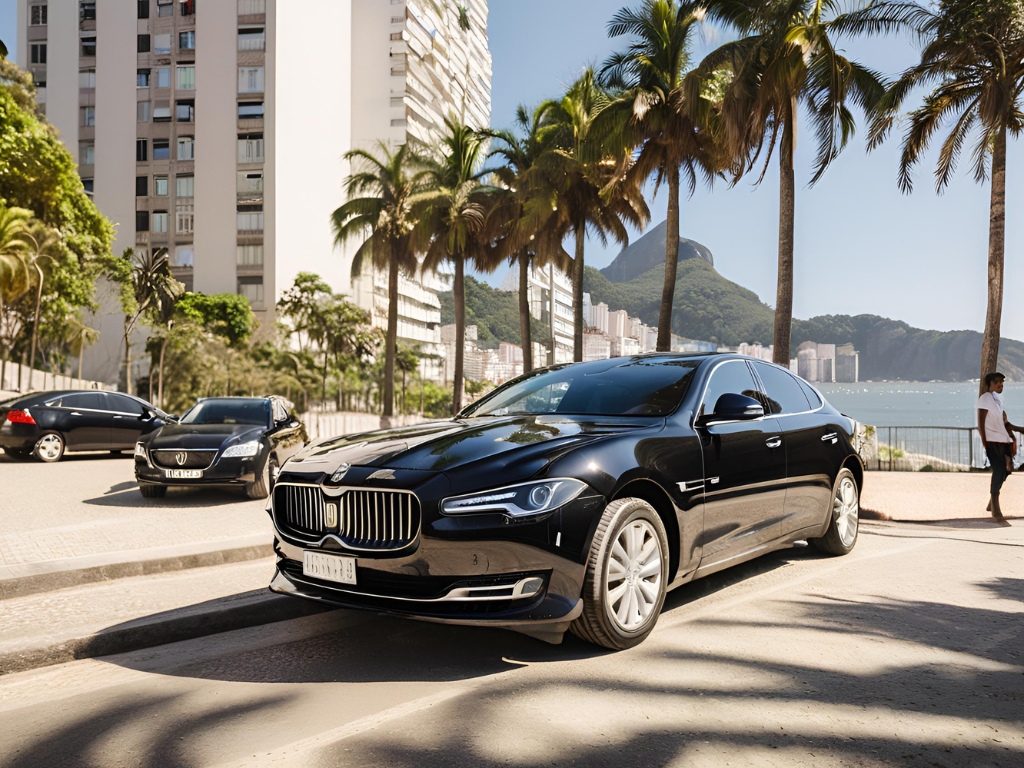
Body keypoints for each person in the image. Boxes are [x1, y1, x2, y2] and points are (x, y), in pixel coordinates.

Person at [977, 372, 1024, 526]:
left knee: (1007, 470)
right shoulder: (985, 398)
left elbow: (1004, 422)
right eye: (998, 382)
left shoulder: (998, 399)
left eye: (1002, 383)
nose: (1000, 385)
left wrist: (1014, 431)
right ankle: (996, 509)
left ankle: (991, 502)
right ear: (990, 383)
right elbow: (981, 420)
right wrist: (984, 440)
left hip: (1003, 440)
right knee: (999, 470)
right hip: (992, 441)